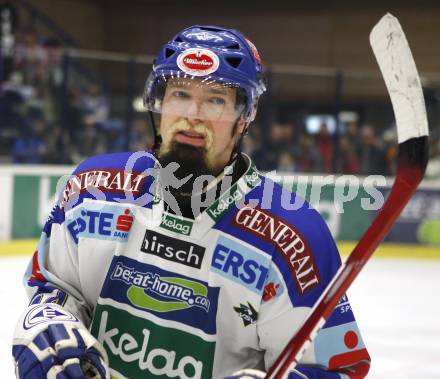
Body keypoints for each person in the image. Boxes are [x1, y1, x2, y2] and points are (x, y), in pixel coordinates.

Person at [12, 25, 370, 378]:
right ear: (159, 104)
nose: (193, 115)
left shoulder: (292, 238)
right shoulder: (91, 191)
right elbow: (53, 285)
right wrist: (48, 322)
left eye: (216, 99)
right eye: (180, 94)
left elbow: (335, 369)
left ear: (245, 116)